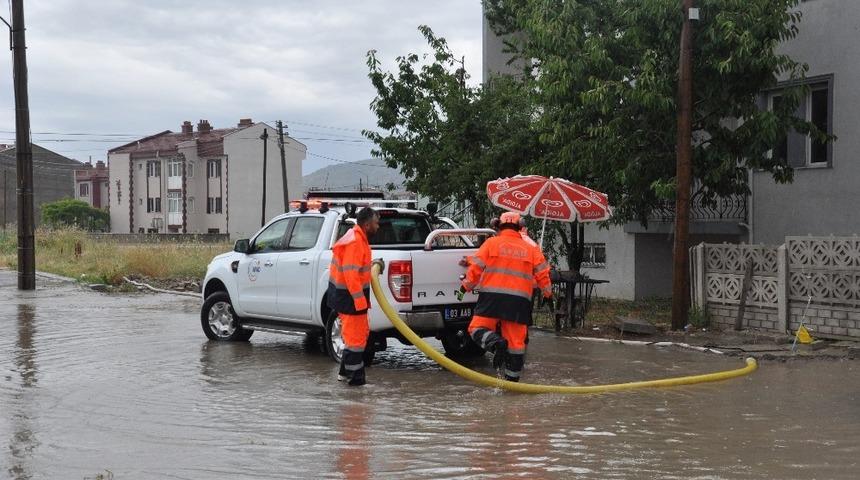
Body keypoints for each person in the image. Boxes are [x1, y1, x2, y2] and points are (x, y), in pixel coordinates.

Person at [456, 211, 552, 381]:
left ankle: (495, 343)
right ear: (520, 226)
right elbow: (543, 273)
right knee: (516, 345)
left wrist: (465, 288)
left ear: (498, 225)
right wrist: (548, 294)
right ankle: (511, 386)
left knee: (476, 329)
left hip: (491, 300)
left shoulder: (491, 244)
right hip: (519, 303)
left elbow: (475, 270)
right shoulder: (531, 249)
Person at [327, 207, 380, 386]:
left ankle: (344, 374)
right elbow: (351, 275)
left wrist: (373, 264)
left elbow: (357, 266)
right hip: (350, 299)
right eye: (376, 223)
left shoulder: (359, 239)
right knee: (356, 340)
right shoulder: (356, 242)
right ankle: (356, 382)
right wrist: (359, 302)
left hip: (348, 298)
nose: (378, 227)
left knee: (357, 337)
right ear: (366, 225)